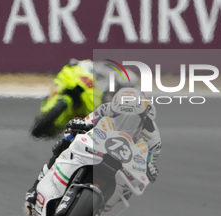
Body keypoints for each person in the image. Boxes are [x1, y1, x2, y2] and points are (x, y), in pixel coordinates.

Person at [25, 87, 161, 209]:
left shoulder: (152, 136)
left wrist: (150, 169)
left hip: (124, 162)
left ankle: (97, 209)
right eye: (118, 117)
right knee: (66, 141)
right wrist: (78, 125)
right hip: (100, 143)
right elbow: (86, 122)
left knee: (130, 188)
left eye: (132, 120)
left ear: (144, 117)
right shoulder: (105, 109)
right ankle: (35, 187)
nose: (124, 123)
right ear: (113, 110)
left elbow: (148, 162)